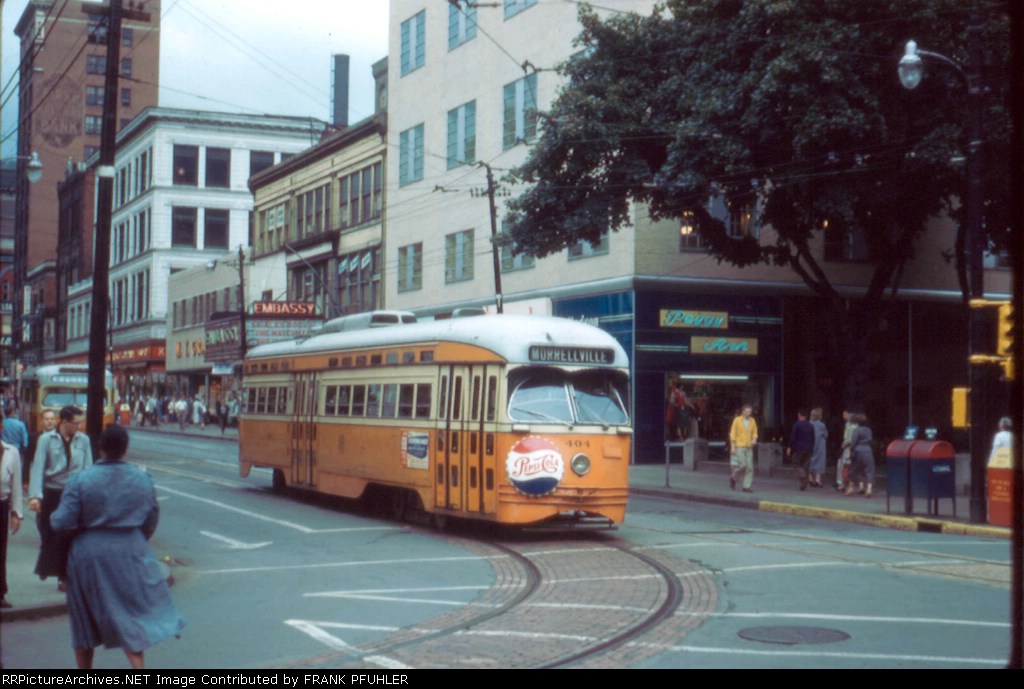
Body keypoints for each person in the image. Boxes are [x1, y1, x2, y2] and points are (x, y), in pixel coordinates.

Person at [51, 424, 185, 669]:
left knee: (84, 623)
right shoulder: (143, 478)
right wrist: (134, 537)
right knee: (131, 618)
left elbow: (61, 522)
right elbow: (151, 517)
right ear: (125, 448)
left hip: (89, 555)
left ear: (100, 447)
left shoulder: (80, 480)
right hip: (131, 551)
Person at [28, 406, 93, 587]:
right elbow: (38, 467)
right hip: (51, 492)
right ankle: (47, 565)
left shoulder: (84, 440)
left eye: (80, 422)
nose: (79, 426)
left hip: (72, 493)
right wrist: (35, 496)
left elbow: (88, 469)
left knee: (68, 535)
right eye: (76, 423)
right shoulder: (46, 439)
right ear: (64, 422)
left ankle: (63, 576)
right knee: (48, 532)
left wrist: (87, 495)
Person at [1, 432, 23, 609]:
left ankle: (0, 593)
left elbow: (16, 484)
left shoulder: (11, 452)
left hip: (2, 504)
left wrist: (16, 512)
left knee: (1, 551)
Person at [25, 409, 57, 492]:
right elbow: (27, 459)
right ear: (42, 421)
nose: (49, 421)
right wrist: (26, 480)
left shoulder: (60, 437)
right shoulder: (34, 437)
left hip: (55, 480)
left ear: (55, 421)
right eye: (47, 419)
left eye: (52, 419)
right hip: (38, 477)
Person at [728, 404, 758, 493]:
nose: (749, 413)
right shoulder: (737, 420)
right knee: (742, 465)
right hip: (739, 446)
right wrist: (733, 446)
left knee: (749, 467)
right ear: (743, 412)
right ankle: (734, 477)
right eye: (747, 411)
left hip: (749, 446)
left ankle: (746, 486)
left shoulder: (752, 421)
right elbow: (733, 433)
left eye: (750, 412)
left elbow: (755, 432)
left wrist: (754, 439)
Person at [845, 412, 875, 498]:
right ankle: (869, 489)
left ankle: (851, 488)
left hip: (858, 450)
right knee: (869, 470)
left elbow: (853, 442)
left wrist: (850, 451)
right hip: (868, 450)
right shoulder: (869, 430)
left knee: (853, 469)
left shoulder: (857, 430)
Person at [787, 409, 815, 490]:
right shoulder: (810, 425)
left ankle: (804, 477)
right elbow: (813, 438)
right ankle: (803, 485)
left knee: (795, 463)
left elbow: (793, 437)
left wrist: (789, 447)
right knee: (805, 466)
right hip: (809, 449)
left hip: (799, 448)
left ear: (799, 415)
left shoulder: (797, 425)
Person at [1, 406, 29, 485]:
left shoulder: (3, 423)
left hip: (4, 449)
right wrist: (25, 448)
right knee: (17, 469)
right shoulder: (20, 424)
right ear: (12, 413)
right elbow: (25, 438)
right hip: (17, 449)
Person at [837, 409, 856, 492]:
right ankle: (844, 484)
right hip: (847, 447)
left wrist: (845, 444)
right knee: (845, 466)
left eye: (845, 415)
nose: (844, 417)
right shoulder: (848, 425)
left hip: (849, 448)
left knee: (847, 467)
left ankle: (847, 484)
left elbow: (848, 438)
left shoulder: (851, 426)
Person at [809, 407, 828, 488]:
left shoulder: (809, 423)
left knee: (809, 461)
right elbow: (826, 435)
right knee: (820, 462)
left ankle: (810, 478)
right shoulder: (821, 425)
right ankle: (817, 480)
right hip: (820, 445)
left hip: (810, 444)